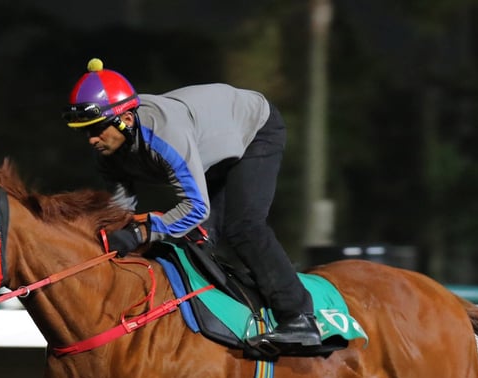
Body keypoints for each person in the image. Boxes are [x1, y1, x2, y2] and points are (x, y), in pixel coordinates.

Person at [62, 58, 321, 352]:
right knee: (195, 239)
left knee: (243, 228)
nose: (92, 140)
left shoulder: (164, 135)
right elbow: (121, 210)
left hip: (254, 131)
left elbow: (196, 207)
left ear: (127, 120)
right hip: (209, 148)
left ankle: (299, 318)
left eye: (97, 129)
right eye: (85, 131)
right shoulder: (108, 152)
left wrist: (142, 232)